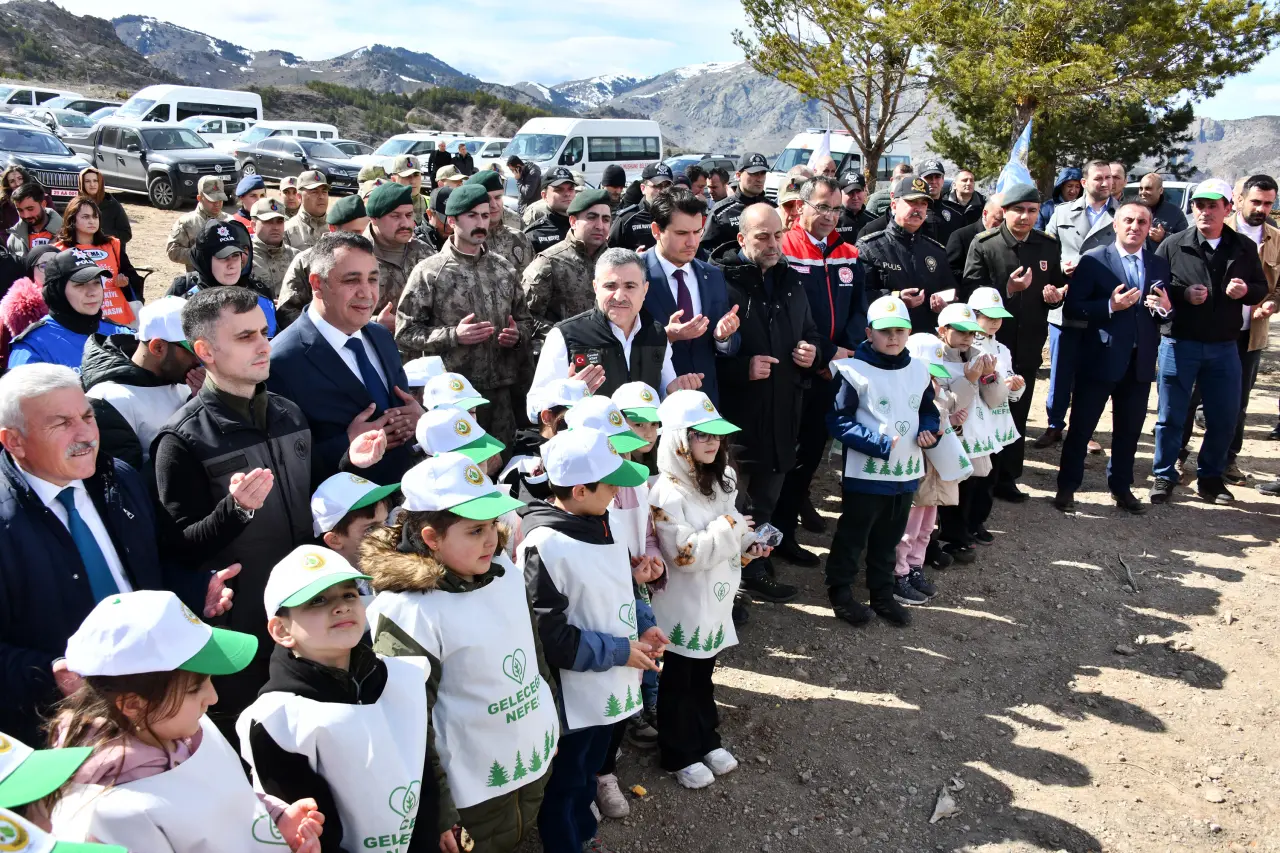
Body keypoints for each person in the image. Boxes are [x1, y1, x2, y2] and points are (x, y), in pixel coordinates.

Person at [152, 286, 387, 739]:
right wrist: (235, 511)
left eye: (263, 332)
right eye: (245, 337)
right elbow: (178, 548)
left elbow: (303, 497)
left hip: (312, 619)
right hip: (246, 634)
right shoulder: (180, 440)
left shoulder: (289, 413)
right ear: (205, 351)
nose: (263, 345)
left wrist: (347, 461)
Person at [0, 364, 235, 745]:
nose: (85, 434)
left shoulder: (118, 479)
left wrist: (195, 590)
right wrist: (50, 673)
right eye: (62, 423)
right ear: (14, 441)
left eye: (87, 416)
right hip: (69, 729)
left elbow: (150, 567)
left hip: (157, 697)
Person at [364, 453, 553, 853]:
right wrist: (439, 809)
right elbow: (409, 724)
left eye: (492, 524)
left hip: (527, 761)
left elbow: (534, 653)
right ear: (432, 538)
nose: (492, 539)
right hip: (472, 791)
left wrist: (549, 714)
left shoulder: (503, 573)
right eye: (474, 530)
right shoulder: (407, 612)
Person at [47, 590, 326, 851]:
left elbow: (228, 795)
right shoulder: (110, 813)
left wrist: (276, 820)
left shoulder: (191, 729)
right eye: (194, 688)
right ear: (132, 704)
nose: (212, 698)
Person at [237, 545, 434, 853]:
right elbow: (312, 831)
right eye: (317, 600)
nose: (341, 607)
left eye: (349, 594)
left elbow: (425, 773)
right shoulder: (277, 720)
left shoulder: (404, 676)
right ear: (281, 629)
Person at [517, 426, 655, 853]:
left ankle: (583, 832)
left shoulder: (603, 521)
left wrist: (642, 626)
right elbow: (551, 638)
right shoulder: (544, 546)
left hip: (610, 681)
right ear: (579, 490)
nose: (617, 492)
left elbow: (617, 590)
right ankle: (566, 842)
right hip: (572, 698)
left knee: (590, 765)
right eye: (610, 484)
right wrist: (619, 650)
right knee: (567, 777)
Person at [646, 390, 760, 787]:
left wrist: (749, 544)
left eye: (717, 435)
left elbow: (731, 526)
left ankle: (706, 738)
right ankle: (678, 752)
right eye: (702, 435)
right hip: (684, 603)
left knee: (705, 672)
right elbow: (686, 554)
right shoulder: (665, 493)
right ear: (679, 439)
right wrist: (732, 528)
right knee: (680, 678)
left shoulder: (722, 478)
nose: (713, 443)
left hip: (716, 598)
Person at [711, 203, 821, 606]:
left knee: (767, 500)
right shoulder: (720, 282)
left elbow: (810, 331)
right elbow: (704, 354)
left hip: (784, 411)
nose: (773, 244)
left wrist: (812, 353)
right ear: (742, 239)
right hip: (738, 417)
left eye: (778, 235)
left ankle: (754, 569)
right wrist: (742, 367)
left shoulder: (791, 281)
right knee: (732, 502)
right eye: (763, 237)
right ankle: (727, 583)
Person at [268, 231, 422, 487]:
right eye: (352, 280)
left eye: (372, 279)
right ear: (317, 284)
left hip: (405, 489)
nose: (366, 293)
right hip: (346, 503)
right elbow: (282, 464)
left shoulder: (380, 336)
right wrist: (347, 445)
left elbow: (401, 409)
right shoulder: (281, 361)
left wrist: (419, 418)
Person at [824, 294, 940, 628]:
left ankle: (882, 592)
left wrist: (930, 431)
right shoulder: (852, 371)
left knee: (890, 535)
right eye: (885, 331)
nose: (893, 337)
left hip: (905, 472)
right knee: (854, 533)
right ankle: (840, 591)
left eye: (899, 331)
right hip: (866, 473)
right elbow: (838, 420)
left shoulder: (918, 370)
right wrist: (875, 443)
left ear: (908, 333)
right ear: (869, 333)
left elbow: (927, 410)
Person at [1151, 178, 1269, 504]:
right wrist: (1182, 294)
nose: (1205, 211)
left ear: (1228, 208)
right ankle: (1164, 475)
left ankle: (1211, 479)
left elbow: (1261, 287)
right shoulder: (1173, 244)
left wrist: (1246, 291)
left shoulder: (1243, 247)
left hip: (1224, 347)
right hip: (1179, 343)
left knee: (1223, 416)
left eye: (1213, 205)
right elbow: (1154, 288)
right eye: (1200, 205)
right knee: (1171, 416)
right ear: (1193, 208)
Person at [1053, 200, 1172, 514]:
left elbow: (1163, 312)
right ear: (1116, 225)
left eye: (1142, 222)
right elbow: (1073, 307)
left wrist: (1167, 309)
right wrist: (1110, 306)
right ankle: (1067, 487)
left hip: (1140, 362)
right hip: (1099, 359)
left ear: (1149, 228)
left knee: (1129, 431)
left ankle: (1121, 488)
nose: (1135, 227)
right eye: (1128, 220)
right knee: (1081, 427)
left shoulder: (1158, 264)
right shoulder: (1094, 260)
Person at [772, 176, 867, 566]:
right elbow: (786, 316)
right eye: (823, 207)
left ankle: (787, 531)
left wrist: (842, 356)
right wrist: (824, 356)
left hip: (832, 373)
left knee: (811, 454)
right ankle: (772, 536)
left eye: (836, 209)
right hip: (794, 370)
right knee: (783, 457)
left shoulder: (849, 253)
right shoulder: (784, 249)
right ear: (801, 206)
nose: (830, 216)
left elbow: (859, 310)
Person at [395, 184, 532, 446]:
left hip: (501, 393)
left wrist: (517, 336)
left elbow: (525, 321)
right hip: (454, 397)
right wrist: (453, 336)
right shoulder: (430, 272)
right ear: (452, 220)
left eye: (484, 215)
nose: (480, 223)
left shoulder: (503, 268)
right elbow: (405, 333)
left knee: (501, 462)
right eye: (472, 216)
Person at [961, 182, 1065, 502]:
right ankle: (981, 476)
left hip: (1029, 342)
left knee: (1017, 409)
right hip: (991, 344)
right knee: (985, 407)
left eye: (1032, 211)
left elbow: (1057, 285)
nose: (1025, 216)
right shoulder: (985, 244)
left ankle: (1008, 477)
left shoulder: (1047, 245)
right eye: (1018, 210)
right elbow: (971, 291)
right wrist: (1007, 289)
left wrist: (1056, 296)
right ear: (1004, 211)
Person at [532, 247, 698, 402]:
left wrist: (672, 391)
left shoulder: (657, 334)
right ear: (596, 288)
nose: (619, 296)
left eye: (630, 286)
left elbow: (663, 398)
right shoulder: (565, 335)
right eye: (610, 286)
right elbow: (535, 405)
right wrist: (567, 394)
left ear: (645, 290)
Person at [1039, 160, 1117, 450]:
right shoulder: (1061, 212)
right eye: (1099, 178)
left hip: (1100, 306)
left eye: (1109, 178)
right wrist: (1062, 267)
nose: (1105, 183)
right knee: (1060, 371)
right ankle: (1054, 424)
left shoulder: (1121, 215)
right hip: (1065, 302)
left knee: (1091, 373)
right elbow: (1046, 251)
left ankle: (1085, 429)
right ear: (1084, 182)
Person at [642, 189, 741, 405]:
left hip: (705, 401)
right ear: (656, 230)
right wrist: (666, 337)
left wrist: (723, 337)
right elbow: (618, 342)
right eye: (681, 233)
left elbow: (729, 345)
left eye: (697, 232)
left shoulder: (712, 275)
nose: (692, 242)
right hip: (654, 402)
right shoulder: (634, 274)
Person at [82, 296, 199, 471]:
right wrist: (198, 411)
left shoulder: (187, 379)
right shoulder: (107, 400)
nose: (202, 359)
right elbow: (127, 480)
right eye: (194, 350)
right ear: (158, 347)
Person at [1214, 174, 1279, 487]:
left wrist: (1272, 304)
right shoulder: (1220, 231)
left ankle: (1228, 460)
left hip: (1250, 335)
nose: (1261, 209)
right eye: (1256, 201)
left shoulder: (1276, 240)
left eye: (1268, 203)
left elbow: (1278, 288)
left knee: (1238, 402)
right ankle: (1179, 458)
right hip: (1212, 331)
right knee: (1195, 398)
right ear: (1239, 200)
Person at [857, 174, 956, 331]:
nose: (918, 209)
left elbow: (951, 292)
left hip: (928, 337)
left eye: (923, 204)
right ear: (894, 204)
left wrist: (945, 305)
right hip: (888, 337)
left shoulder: (936, 251)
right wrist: (896, 298)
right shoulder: (870, 247)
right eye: (912, 202)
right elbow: (859, 295)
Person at [8, 249, 133, 372]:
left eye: (96, 282)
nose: (92, 292)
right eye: (80, 284)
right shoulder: (33, 345)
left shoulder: (120, 334)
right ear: (57, 291)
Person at [523, 188, 613, 345]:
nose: (600, 225)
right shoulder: (549, 262)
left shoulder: (614, 261)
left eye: (605, 219)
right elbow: (526, 316)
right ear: (573, 221)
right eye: (591, 217)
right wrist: (566, 336)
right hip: (564, 352)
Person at [167, 219, 278, 336]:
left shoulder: (260, 294)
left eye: (235, 255)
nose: (231, 265)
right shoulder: (182, 296)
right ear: (205, 260)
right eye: (222, 257)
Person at [275, 194, 371, 330]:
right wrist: (324, 329)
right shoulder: (307, 260)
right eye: (355, 232)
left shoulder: (371, 260)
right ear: (333, 229)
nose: (361, 238)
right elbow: (287, 311)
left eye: (364, 231)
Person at [54, 197, 137, 327]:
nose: (92, 221)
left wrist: (124, 281)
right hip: (81, 321)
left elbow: (131, 276)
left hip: (118, 317)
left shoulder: (112, 245)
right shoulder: (59, 250)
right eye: (85, 217)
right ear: (72, 220)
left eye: (95, 217)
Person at [363, 182, 436, 317]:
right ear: (374, 219)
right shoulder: (357, 256)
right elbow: (335, 312)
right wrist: (375, 323)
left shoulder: (424, 252)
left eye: (408, 215)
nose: (405, 223)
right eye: (395, 216)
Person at [700, 153, 775, 252]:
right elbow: (705, 250)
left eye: (763, 173)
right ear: (738, 175)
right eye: (754, 173)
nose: (759, 179)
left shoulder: (773, 208)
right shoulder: (720, 212)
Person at [0, 245, 57, 370]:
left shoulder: (80, 302)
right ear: (31, 272)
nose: (51, 270)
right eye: (44, 266)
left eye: (57, 264)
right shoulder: (13, 312)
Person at [468, 170, 534, 273]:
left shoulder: (515, 222)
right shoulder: (465, 234)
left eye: (498, 197)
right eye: (487, 199)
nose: (494, 205)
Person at [166, 176, 229, 271]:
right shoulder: (187, 222)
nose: (217, 204)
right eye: (212, 200)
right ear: (199, 198)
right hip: (198, 276)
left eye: (220, 199)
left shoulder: (230, 221)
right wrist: (200, 255)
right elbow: (172, 251)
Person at [608, 163, 674, 253]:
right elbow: (609, 253)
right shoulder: (627, 219)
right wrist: (633, 257)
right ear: (643, 188)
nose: (662, 191)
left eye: (667, 186)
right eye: (657, 186)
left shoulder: (678, 217)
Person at [248, 197, 297, 298]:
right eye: (268, 221)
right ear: (253, 225)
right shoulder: (244, 258)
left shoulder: (296, 256)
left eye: (280, 221)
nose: (275, 227)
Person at [947, 194, 1003, 282]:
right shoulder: (961, 237)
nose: (1003, 225)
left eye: (1006, 221)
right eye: (999, 220)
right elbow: (950, 271)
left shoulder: (1010, 236)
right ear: (985, 213)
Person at [525, 167, 577, 254]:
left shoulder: (585, 224)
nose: (567, 194)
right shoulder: (535, 234)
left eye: (571, 189)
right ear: (544, 196)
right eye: (559, 190)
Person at [77, 167, 131, 247]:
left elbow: (126, 234)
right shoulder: (76, 205)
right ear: (82, 183)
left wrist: (101, 235)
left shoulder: (112, 204)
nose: (92, 184)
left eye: (95, 181)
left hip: (108, 250)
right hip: (82, 250)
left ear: (100, 182)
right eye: (87, 181)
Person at [7, 182, 63, 256]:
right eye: (20, 210)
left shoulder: (67, 233)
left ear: (43, 204)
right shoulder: (15, 238)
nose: (26, 215)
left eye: (30, 209)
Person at [1136, 172, 1189, 245]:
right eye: (1141, 189)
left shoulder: (1175, 213)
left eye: (1148, 188)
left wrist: (1164, 237)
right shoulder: (1130, 210)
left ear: (1160, 190)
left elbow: (1185, 241)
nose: (1143, 192)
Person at [284, 171, 330, 251]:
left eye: (324, 192)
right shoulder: (287, 231)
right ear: (299, 197)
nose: (321, 196)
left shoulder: (337, 228)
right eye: (314, 192)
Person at [388, 154, 428, 226]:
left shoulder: (431, 203)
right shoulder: (386, 206)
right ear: (394, 180)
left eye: (416, 175)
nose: (413, 181)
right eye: (406, 176)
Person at [834, 171, 874, 243]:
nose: (855, 197)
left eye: (858, 191)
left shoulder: (873, 220)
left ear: (865, 190)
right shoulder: (832, 220)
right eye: (850, 192)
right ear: (840, 193)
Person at [0, 163, 30, 232]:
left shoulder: (42, 198)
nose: (17, 184)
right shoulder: (3, 204)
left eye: (20, 179)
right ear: (8, 184)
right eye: (12, 181)